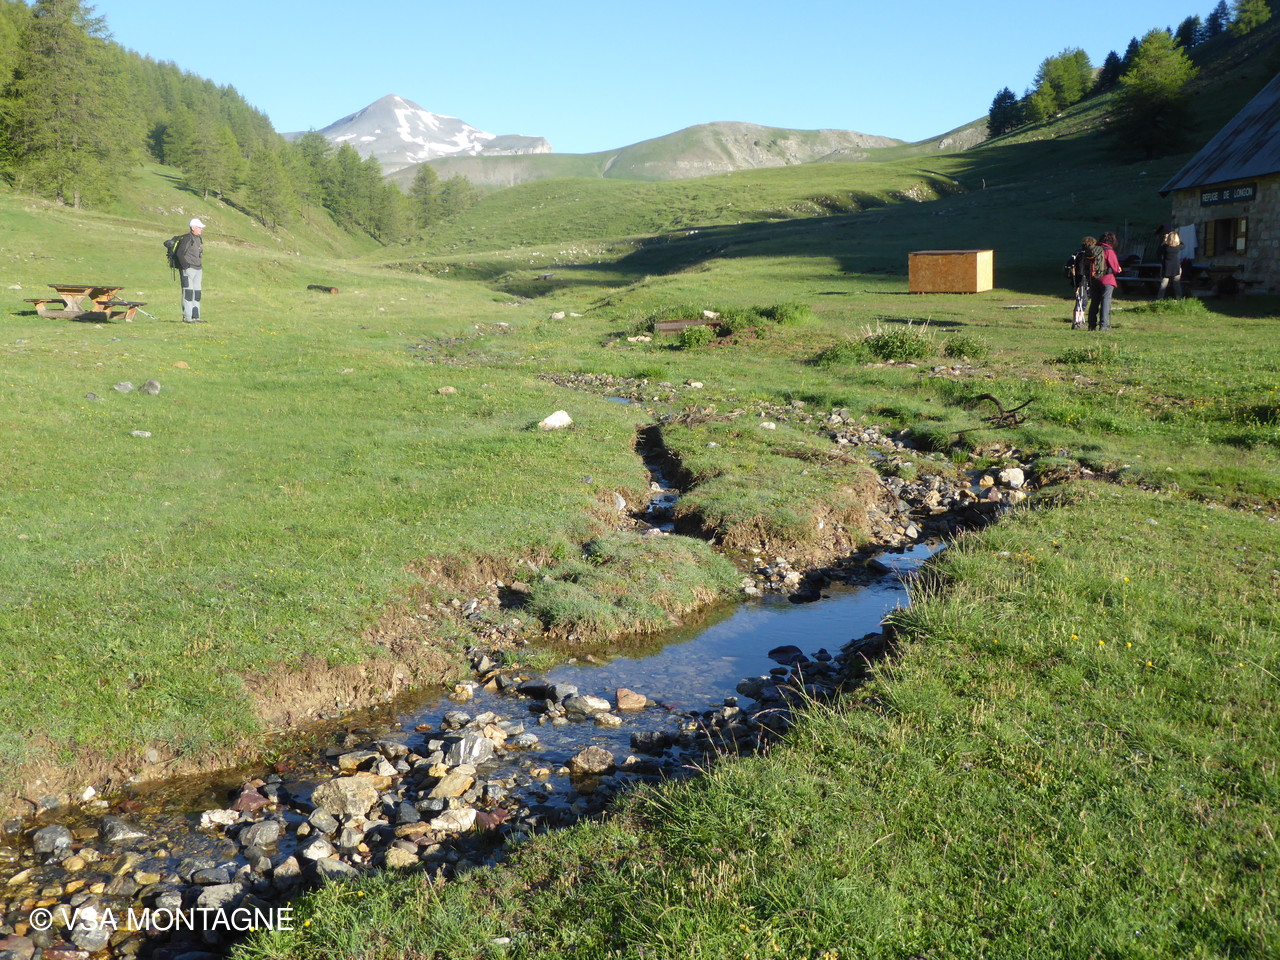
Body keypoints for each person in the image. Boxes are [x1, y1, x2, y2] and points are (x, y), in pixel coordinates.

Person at [1087, 231, 1122, 332]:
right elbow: (1115, 268)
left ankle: (1091, 325)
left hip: (1094, 279)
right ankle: (1104, 325)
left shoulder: (1094, 249)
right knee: (1105, 301)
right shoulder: (1109, 251)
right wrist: (1119, 269)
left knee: (1094, 302)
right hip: (1107, 279)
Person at [172, 218, 205, 322]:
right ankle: (187, 317)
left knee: (197, 294)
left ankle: (196, 317)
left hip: (198, 269)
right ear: (193, 227)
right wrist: (185, 266)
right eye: (199, 227)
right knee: (188, 293)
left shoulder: (198, 239)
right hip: (188, 269)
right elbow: (179, 253)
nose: (201, 229)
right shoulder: (186, 238)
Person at [1066, 236, 1094, 329]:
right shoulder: (1084, 255)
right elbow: (1081, 270)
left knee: (1082, 301)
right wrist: (1079, 283)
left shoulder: (1078, 253)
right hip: (1081, 280)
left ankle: (1080, 321)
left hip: (1078, 281)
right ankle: (1077, 322)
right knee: (1081, 301)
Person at [1157, 228, 1184, 300]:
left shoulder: (1165, 247)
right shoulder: (1178, 247)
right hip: (1176, 267)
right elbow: (1183, 244)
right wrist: (1177, 239)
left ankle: (1160, 298)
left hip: (1167, 267)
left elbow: (1159, 250)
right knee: (1177, 284)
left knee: (1163, 284)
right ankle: (1179, 298)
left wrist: (1165, 240)